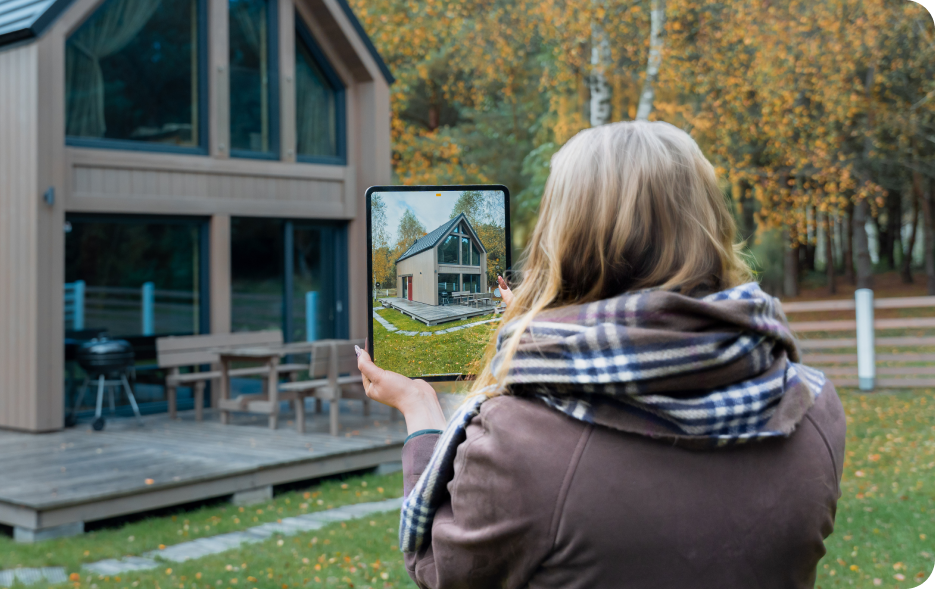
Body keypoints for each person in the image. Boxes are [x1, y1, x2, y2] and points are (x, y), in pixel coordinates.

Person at [355, 120, 846, 588]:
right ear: (710, 224)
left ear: (562, 237)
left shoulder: (517, 440)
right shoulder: (813, 408)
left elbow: (439, 564)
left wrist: (423, 414)